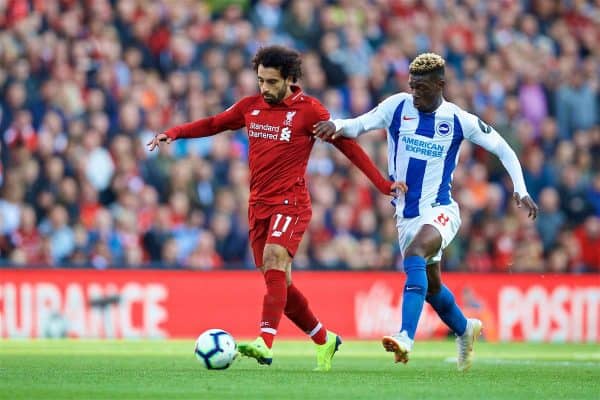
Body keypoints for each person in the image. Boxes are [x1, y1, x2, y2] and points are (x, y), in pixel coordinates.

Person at [147, 45, 406, 370]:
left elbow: (349, 148)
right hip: (258, 206)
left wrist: (383, 184)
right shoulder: (250, 107)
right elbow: (214, 123)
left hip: (292, 202)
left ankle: (264, 343)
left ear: (289, 79)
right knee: (279, 284)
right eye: (260, 81)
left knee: (273, 260)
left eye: (271, 82)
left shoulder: (310, 111)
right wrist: (175, 132)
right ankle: (325, 340)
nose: (265, 89)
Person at [313, 52, 538, 371]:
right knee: (431, 288)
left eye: (421, 87)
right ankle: (465, 329)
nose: (414, 92)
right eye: (411, 85)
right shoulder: (397, 107)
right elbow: (359, 125)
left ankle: (406, 336)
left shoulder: (459, 119)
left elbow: (503, 148)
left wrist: (521, 188)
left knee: (416, 253)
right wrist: (335, 124)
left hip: (441, 210)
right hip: (406, 216)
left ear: (440, 84)